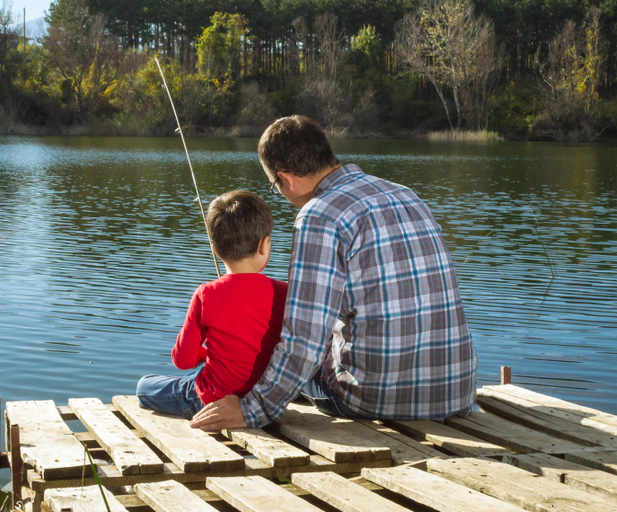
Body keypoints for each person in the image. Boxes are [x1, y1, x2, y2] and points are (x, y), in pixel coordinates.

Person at [190, 115, 477, 430]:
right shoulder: (406, 195)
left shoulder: (319, 216)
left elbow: (304, 339)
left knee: (247, 369)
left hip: (374, 398)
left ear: (286, 179)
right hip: (454, 393)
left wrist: (252, 409)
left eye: (275, 186)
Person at [136, 190, 288, 419]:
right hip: (264, 399)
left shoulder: (206, 294)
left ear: (215, 250)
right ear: (264, 245)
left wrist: (205, 353)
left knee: (144, 386)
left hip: (211, 400)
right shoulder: (285, 292)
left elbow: (183, 360)